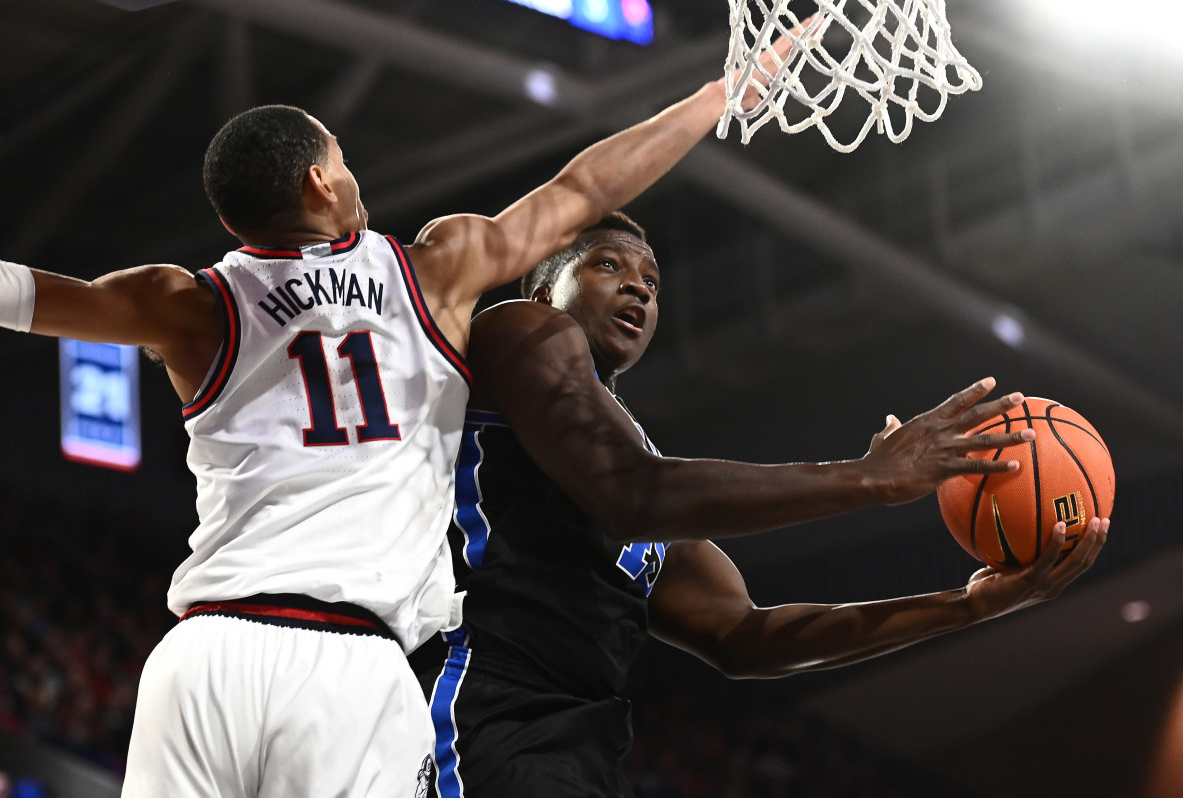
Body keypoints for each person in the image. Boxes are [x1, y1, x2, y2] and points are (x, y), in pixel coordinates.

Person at [0, 38, 807, 795]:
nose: (351, 170)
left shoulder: (187, 304)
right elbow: (586, 188)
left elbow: (23, 295)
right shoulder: (432, 275)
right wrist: (714, 97)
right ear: (319, 181)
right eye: (340, 155)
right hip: (351, 667)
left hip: (205, 655)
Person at [415, 213, 1108, 798]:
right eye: (608, 265)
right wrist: (868, 479)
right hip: (474, 702)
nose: (638, 286)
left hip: (577, 739)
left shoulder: (644, 465)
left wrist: (971, 606)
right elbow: (630, 494)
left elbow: (743, 636)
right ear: (546, 284)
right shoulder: (521, 332)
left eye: (652, 281)